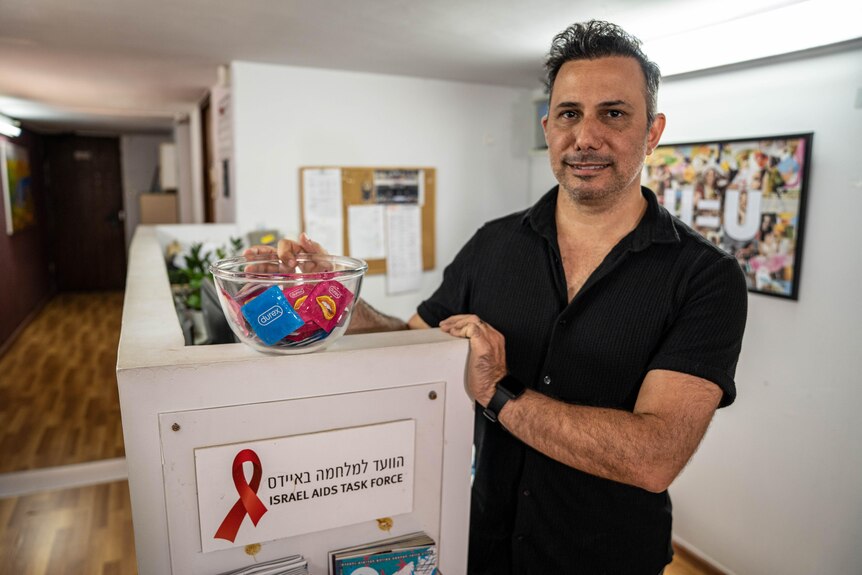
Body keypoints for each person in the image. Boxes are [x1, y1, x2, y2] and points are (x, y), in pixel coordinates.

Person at [250, 19, 747, 575]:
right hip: (482, 547)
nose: (585, 137)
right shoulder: (494, 243)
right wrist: (334, 298)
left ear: (652, 132)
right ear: (548, 128)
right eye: (569, 114)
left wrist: (498, 391)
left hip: (608, 560)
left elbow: (654, 456)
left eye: (613, 113)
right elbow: (415, 344)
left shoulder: (706, 277)